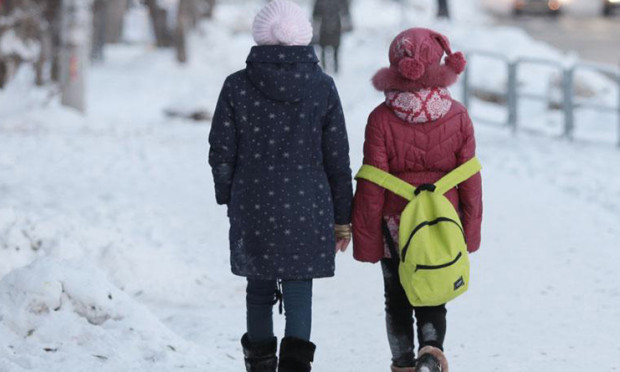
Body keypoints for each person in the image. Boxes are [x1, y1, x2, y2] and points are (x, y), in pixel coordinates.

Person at [208, 1, 353, 371]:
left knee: (258, 290)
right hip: (308, 204)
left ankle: (259, 365)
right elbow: (337, 158)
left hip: (254, 201)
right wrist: (342, 218)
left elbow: (221, 151)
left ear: (260, 36)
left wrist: (229, 196)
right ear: (304, 36)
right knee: (299, 288)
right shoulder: (322, 87)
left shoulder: (237, 86)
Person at [351, 28, 483, 372]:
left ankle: (402, 363)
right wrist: (471, 230)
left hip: (395, 225)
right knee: (433, 291)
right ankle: (431, 353)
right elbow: (470, 178)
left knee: (396, 298)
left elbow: (371, 183)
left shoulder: (380, 118)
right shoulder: (458, 115)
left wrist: (366, 240)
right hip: (442, 220)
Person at [312, 0, 350, 73]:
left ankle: (331, 68)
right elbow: (345, 10)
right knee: (329, 48)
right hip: (329, 26)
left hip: (330, 26)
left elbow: (315, 15)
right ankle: (331, 68)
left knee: (331, 48)